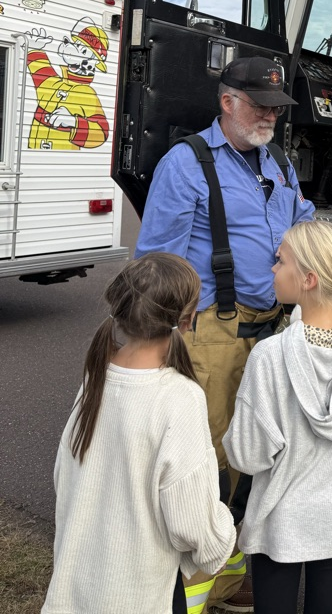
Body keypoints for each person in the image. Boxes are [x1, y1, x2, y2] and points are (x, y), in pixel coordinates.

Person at [135, 56, 315, 613]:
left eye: (276, 109)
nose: (269, 117)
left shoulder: (280, 163)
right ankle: (186, 585)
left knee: (253, 452)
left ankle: (228, 574)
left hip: (272, 334)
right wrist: (152, 342)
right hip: (210, 330)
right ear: (227, 102)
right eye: (259, 105)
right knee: (204, 456)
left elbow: (303, 223)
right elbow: (156, 262)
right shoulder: (186, 163)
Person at [42, 253, 235, 614]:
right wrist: (217, 546)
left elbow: (62, 476)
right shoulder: (180, 396)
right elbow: (190, 513)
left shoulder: (96, 378)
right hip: (140, 593)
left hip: (75, 585)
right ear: (187, 320)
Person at [223, 220, 332, 614]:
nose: (272, 269)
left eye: (280, 261)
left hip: (279, 523)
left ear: (309, 279)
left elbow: (246, 456)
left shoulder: (270, 356)